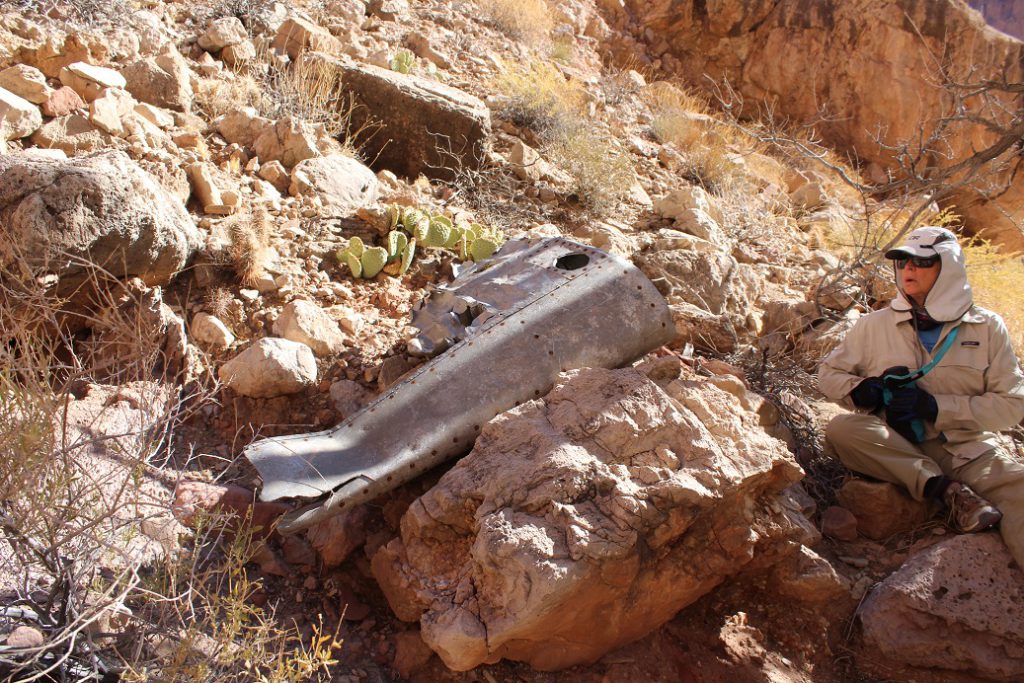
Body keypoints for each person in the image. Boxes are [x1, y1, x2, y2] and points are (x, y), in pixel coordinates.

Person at [819, 226, 1024, 568]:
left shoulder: (988, 327)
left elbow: (1013, 406)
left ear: (948, 268)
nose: (908, 270)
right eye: (902, 261)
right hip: (897, 445)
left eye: (921, 262)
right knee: (842, 429)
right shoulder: (872, 326)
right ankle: (946, 492)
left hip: (968, 450)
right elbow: (827, 375)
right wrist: (865, 389)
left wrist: (934, 406)